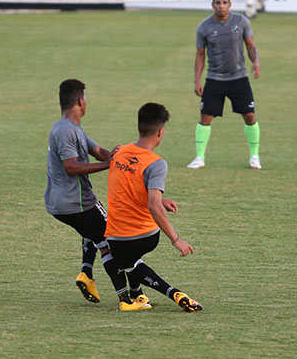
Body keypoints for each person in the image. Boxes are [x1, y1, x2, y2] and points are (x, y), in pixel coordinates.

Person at [45, 79, 144, 310]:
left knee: (94, 232)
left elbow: (99, 152)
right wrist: (109, 166)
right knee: (114, 241)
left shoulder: (72, 129)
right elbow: (71, 166)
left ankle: (87, 273)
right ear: (80, 101)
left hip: (64, 204)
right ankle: (128, 299)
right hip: (76, 202)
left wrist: (118, 157)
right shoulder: (65, 132)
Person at [105, 102, 203, 313]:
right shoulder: (156, 163)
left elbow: (127, 188)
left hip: (115, 236)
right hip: (146, 236)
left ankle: (145, 294)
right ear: (161, 131)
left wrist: (160, 201)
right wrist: (176, 240)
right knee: (129, 262)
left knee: (119, 258)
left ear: (139, 126)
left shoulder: (119, 152)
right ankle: (169, 294)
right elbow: (152, 204)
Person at [187, 0, 262, 170]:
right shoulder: (204, 27)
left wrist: (256, 63)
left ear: (230, 4)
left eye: (224, 2)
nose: (221, 6)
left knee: (250, 115)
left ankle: (254, 156)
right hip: (214, 79)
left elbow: (251, 45)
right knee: (205, 117)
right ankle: (199, 157)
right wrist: (197, 80)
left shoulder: (241, 22)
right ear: (212, 5)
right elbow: (200, 54)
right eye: (218, 3)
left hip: (239, 78)